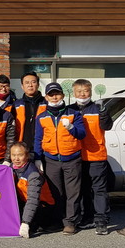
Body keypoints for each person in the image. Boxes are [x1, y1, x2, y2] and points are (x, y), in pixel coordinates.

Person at [34, 82, 86, 236]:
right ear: (46, 97)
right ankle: (58, 221)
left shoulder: (73, 113)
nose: (54, 97)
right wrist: (37, 158)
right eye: (51, 94)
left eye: (57, 94)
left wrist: (71, 128)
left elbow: (82, 134)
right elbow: (38, 139)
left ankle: (70, 222)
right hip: (51, 160)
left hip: (72, 159)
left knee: (73, 192)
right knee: (55, 192)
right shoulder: (41, 117)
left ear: (63, 95)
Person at [69, 78, 113, 235]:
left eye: (85, 91)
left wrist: (104, 113)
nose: (82, 94)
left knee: (99, 189)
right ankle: (87, 217)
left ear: (90, 91)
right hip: (76, 156)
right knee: (82, 189)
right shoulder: (70, 109)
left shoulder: (97, 108)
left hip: (96, 155)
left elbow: (107, 126)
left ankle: (101, 220)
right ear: (74, 92)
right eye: (79, 91)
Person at [11, 142, 55, 239]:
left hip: (42, 206)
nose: (16, 159)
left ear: (27, 156)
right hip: (24, 202)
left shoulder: (33, 174)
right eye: (13, 155)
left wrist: (25, 222)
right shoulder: (10, 169)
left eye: (20, 155)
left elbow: (33, 200)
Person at [13, 72, 47, 152]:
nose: (30, 85)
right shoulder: (16, 105)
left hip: (44, 147)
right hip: (23, 148)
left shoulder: (46, 103)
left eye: (33, 82)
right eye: (27, 83)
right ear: (22, 86)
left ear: (38, 85)